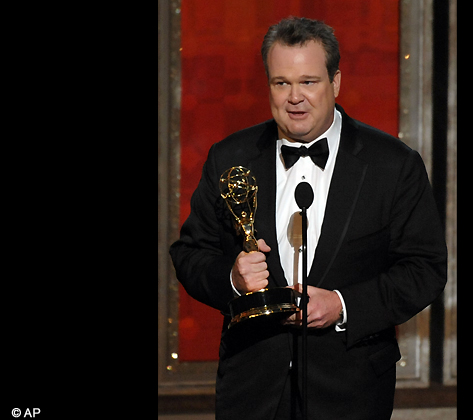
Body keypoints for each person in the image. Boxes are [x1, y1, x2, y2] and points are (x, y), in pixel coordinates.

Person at [169, 16, 447, 420]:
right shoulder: (230, 157)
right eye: (281, 83)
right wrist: (232, 279)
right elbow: (190, 254)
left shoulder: (393, 165)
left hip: (352, 392)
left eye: (309, 82)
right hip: (251, 390)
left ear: (335, 83)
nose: (294, 97)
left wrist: (342, 304)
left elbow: (425, 269)